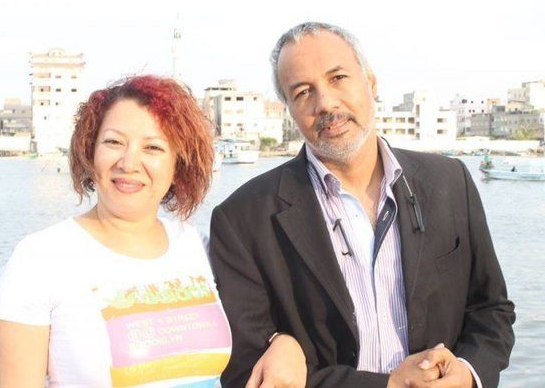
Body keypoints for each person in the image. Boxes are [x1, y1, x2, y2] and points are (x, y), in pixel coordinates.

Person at [208, 23, 515, 388]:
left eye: (337, 78)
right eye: (303, 92)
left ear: (370, 82)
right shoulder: (243, 219)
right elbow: (244, 366)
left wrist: (468, 371)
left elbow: (491, 309)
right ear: (289, 109)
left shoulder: (449, 182)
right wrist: (387, 385)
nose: (326, 103)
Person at [0, 75, 305, 388]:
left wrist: (283, 341)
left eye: (153, 147)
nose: (129, 163)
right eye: (113, 142)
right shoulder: (40, 259)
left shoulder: (200, 248)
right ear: (90, 150)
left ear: (178, 165)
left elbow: (256, 327)